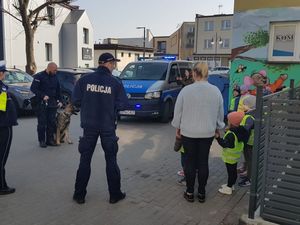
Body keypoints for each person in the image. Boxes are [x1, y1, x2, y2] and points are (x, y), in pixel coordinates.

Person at [72, 52, 128, 204]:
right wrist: (111, 107)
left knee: (85, 160)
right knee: (111, 160)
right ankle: (114, 195)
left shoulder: (84, 80)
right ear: (107, 63)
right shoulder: (115, 82)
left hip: (88, 127)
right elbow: (123, 104)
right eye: (113, 63)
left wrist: (88, 104)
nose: (114, 66)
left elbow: (76, 101)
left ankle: (79, 195)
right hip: (107, 127)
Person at [171, 62, 225, 203]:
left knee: (189, 162)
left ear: (194, 73)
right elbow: (220, 112)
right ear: (207, 74)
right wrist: (218, 127)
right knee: (203, 162)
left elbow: (178, 112)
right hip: (207, 132)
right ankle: (201, 192)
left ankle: (189, 192)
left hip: (188, 132)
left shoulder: (186, 90)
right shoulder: (216, 91)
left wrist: (177, 127)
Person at [30, 62, 62, 148]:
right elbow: (33, 88)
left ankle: (50, 140)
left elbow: (58, 90)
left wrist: (60, 100)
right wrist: (42, 95)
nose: (56, 71)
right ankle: (42, 141)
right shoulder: (39, 76)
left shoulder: (55, 76)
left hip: (52, 103)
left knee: (51, 122)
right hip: (41, 103)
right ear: (49, 68)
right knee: (42, 123)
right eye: (55, 70)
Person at [215, 111, 248, 195]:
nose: (227, 121)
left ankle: (229, 188)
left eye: (228, 120)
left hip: (229, 157)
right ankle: (231, 184)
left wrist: (218, 138)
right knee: (233, 171)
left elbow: (225, 144)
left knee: (231, 172)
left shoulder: (231, 134)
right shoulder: (241, 130)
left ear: (232, 123)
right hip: (235, 156)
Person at [0, 61, 18, 195]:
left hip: (4, 124)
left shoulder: (2, 87)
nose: (5, 74)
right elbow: (2, 108)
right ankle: (2, 187)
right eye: (4, 72)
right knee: (2, 157)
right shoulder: (1, 88)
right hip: (4, 126)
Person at [238, 95, 256, 187]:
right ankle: (249, 175)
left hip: (249, 143)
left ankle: (249, 179)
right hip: (252, 142)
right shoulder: (255, 113)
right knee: (250, 160)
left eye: (244, 104)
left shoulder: (249, 116)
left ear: (249, 105)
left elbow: (245, 129)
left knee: (250, 160)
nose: (242, 106)